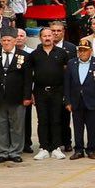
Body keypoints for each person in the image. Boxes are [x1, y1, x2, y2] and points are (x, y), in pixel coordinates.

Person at [0, 26, 31, 164]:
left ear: (15, 41)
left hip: (17, 97)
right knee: (0, 125)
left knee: (17, 126)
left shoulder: (23, 56)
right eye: (4, 40)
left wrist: (27, 96)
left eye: (9, 40)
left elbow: (27, 79)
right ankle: (2, 151)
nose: (6, 43)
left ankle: (15, 151)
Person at [28, 26, 70, 159]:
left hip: (57, 90)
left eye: (49, 35)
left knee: (56, 119)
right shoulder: (34, 54)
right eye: (44, 36)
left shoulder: (62, 53)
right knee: (43, 120)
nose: (47, 38)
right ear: (40, 38)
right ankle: (44, 147)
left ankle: (56, 147)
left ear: (54, 37)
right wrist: (31, 93)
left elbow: (67, 74)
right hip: (40, 91)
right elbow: (29, 75)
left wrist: (66, 92)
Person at [65, 38, 95, 158]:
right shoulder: (72, 63)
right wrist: (68, 101)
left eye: (85, 50)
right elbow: (67, 84)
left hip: (92, 101)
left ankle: (91, 149)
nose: (82, 53)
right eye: (80, 50)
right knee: (78, 127)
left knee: (92, 126)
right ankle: (78, 149)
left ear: (91, 51)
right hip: (76, 101)